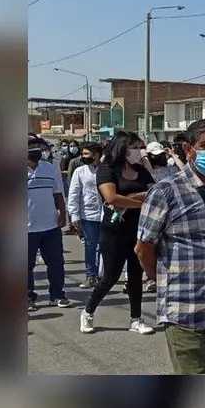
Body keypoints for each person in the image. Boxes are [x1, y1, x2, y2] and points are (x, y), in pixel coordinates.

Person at [135, 119, 205, 375]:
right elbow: (143, 247)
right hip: (185, 313)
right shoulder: (166, 192)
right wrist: (166, 282)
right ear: (188, 150)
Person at [80, 132, 157, 335]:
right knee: (111, 276)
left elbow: (155, 191)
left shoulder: (141, 170)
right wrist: (140, 201)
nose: (139, 151)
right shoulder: (107, 170)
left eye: (141, 147)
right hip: (114, 231)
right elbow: (112, 198)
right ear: (123, 148)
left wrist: (131, 198)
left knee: (135, 275)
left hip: (139, 228)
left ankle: (136, 319)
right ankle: (88, 312)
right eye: (135, 147)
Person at [27, 136, 72, 310]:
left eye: (38, 146)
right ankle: (28, 297)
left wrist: (62, 213)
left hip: (51, 226)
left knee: (56, 262)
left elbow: (58, 193)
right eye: (32, 146)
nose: (37, 149)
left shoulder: (49, 168)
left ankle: (58, 295)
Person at [67, 142, 104, 289]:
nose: (83, 156)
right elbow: (74, 193)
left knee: (106, 247)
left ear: (96, 154)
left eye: (87, 154)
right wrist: (74, 214)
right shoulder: (80, 171)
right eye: (83, 154)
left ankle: (103, 275)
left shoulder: (106, 169)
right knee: (90, 246)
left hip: (106, 214)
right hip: (87, 215)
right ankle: (91, 275)